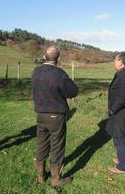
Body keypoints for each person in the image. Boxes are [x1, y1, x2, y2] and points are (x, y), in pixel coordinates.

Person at [31, 45, 78, 187]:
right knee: (57, 146)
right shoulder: (60, 74)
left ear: (44, 57)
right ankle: (56, 179)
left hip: (40, 114)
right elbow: (73, 92)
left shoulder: (35, 71)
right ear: (58, 59)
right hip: (56, 115)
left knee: (42, 143)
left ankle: (40, 177)